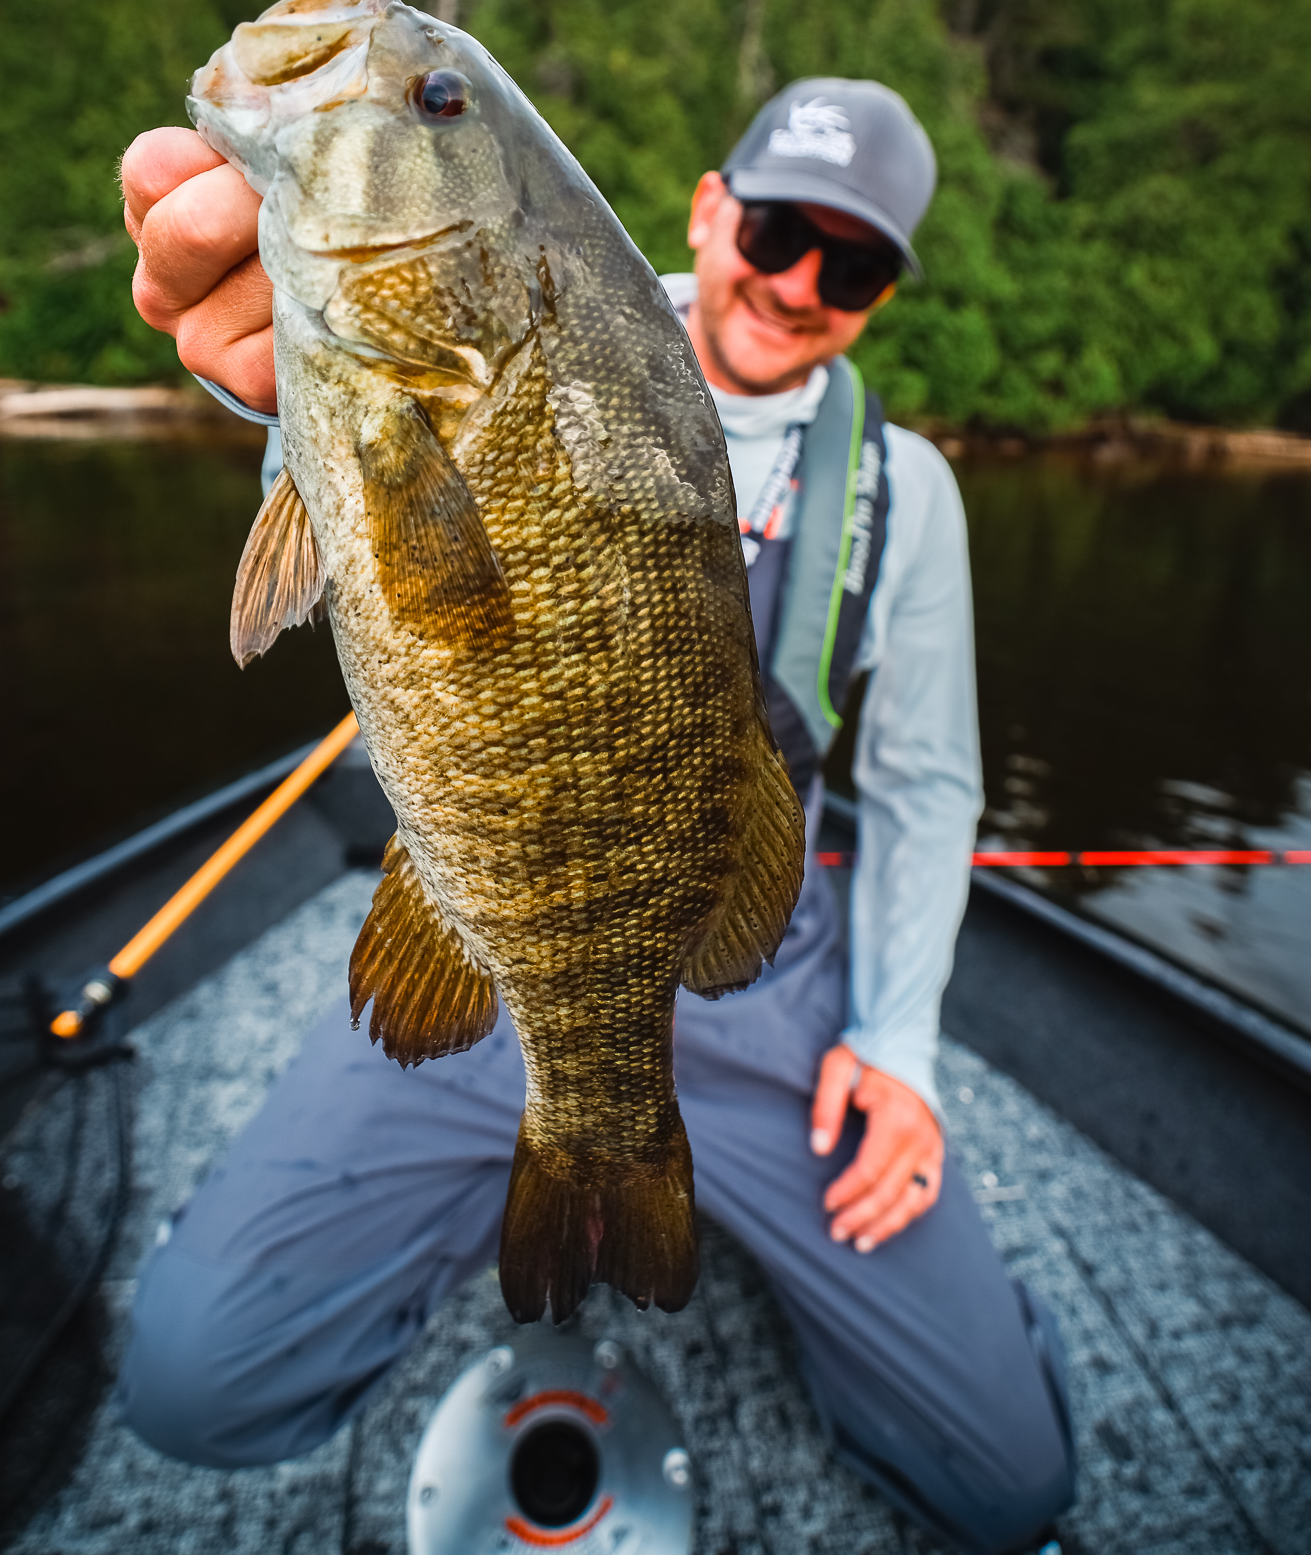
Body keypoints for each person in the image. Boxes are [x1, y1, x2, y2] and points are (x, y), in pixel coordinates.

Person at [116, 76, 1074, 1555]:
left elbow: (929, 790)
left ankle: (637, 1173)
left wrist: (897, 1049)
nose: (800, 281)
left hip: (758, 973)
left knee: (1010, 1484)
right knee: (192, 1385)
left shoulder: (906, 491)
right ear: (706, 209)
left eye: (856, 263)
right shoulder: (507, 298)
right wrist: (282, 380)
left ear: (878, 297)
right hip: (485, 915)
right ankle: (478, 1178)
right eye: (775, 229)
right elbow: (360, 501)